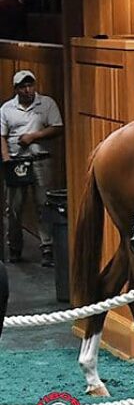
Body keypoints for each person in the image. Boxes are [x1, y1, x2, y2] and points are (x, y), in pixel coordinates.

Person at [1, 70, 63, 267]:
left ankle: (47, 247)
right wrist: (6, 158)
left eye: (30, 85)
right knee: (15, 207)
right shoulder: (6, 109)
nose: (28, 90)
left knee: (44, 205)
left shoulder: (46, 104)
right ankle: (14, 247)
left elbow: (57, 127)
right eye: (23, 86)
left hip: (40, 159)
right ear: (16, 89)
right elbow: (1, 135)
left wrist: (33, 137)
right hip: (17, 161)